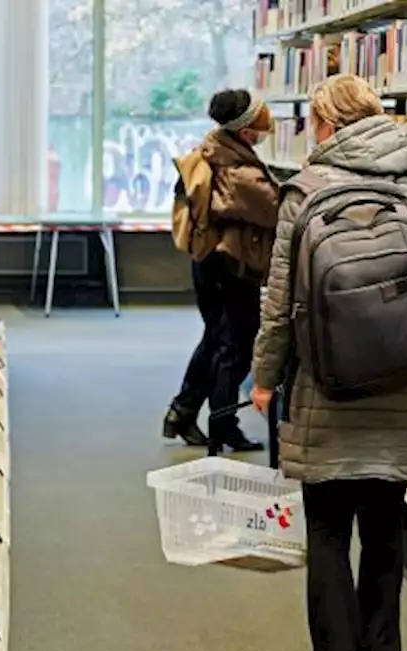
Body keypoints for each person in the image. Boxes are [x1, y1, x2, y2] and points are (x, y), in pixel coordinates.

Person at [248, 74, 407, 651]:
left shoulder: (307, 188)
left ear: (327, 124)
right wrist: (391, 332)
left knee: (329, 534)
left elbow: (280, 300)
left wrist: (265, 378)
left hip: (324, 387)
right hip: (400, 387)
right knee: (387, 535)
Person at [163, 88, 280, 451]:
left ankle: (182, 411)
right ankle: (223, 423)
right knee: (236, 345)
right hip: (231, 265)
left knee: (216, 337)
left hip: (210, 261)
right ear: (245, 131)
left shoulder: (214, 152)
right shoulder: (238, 171)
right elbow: (276, 207)